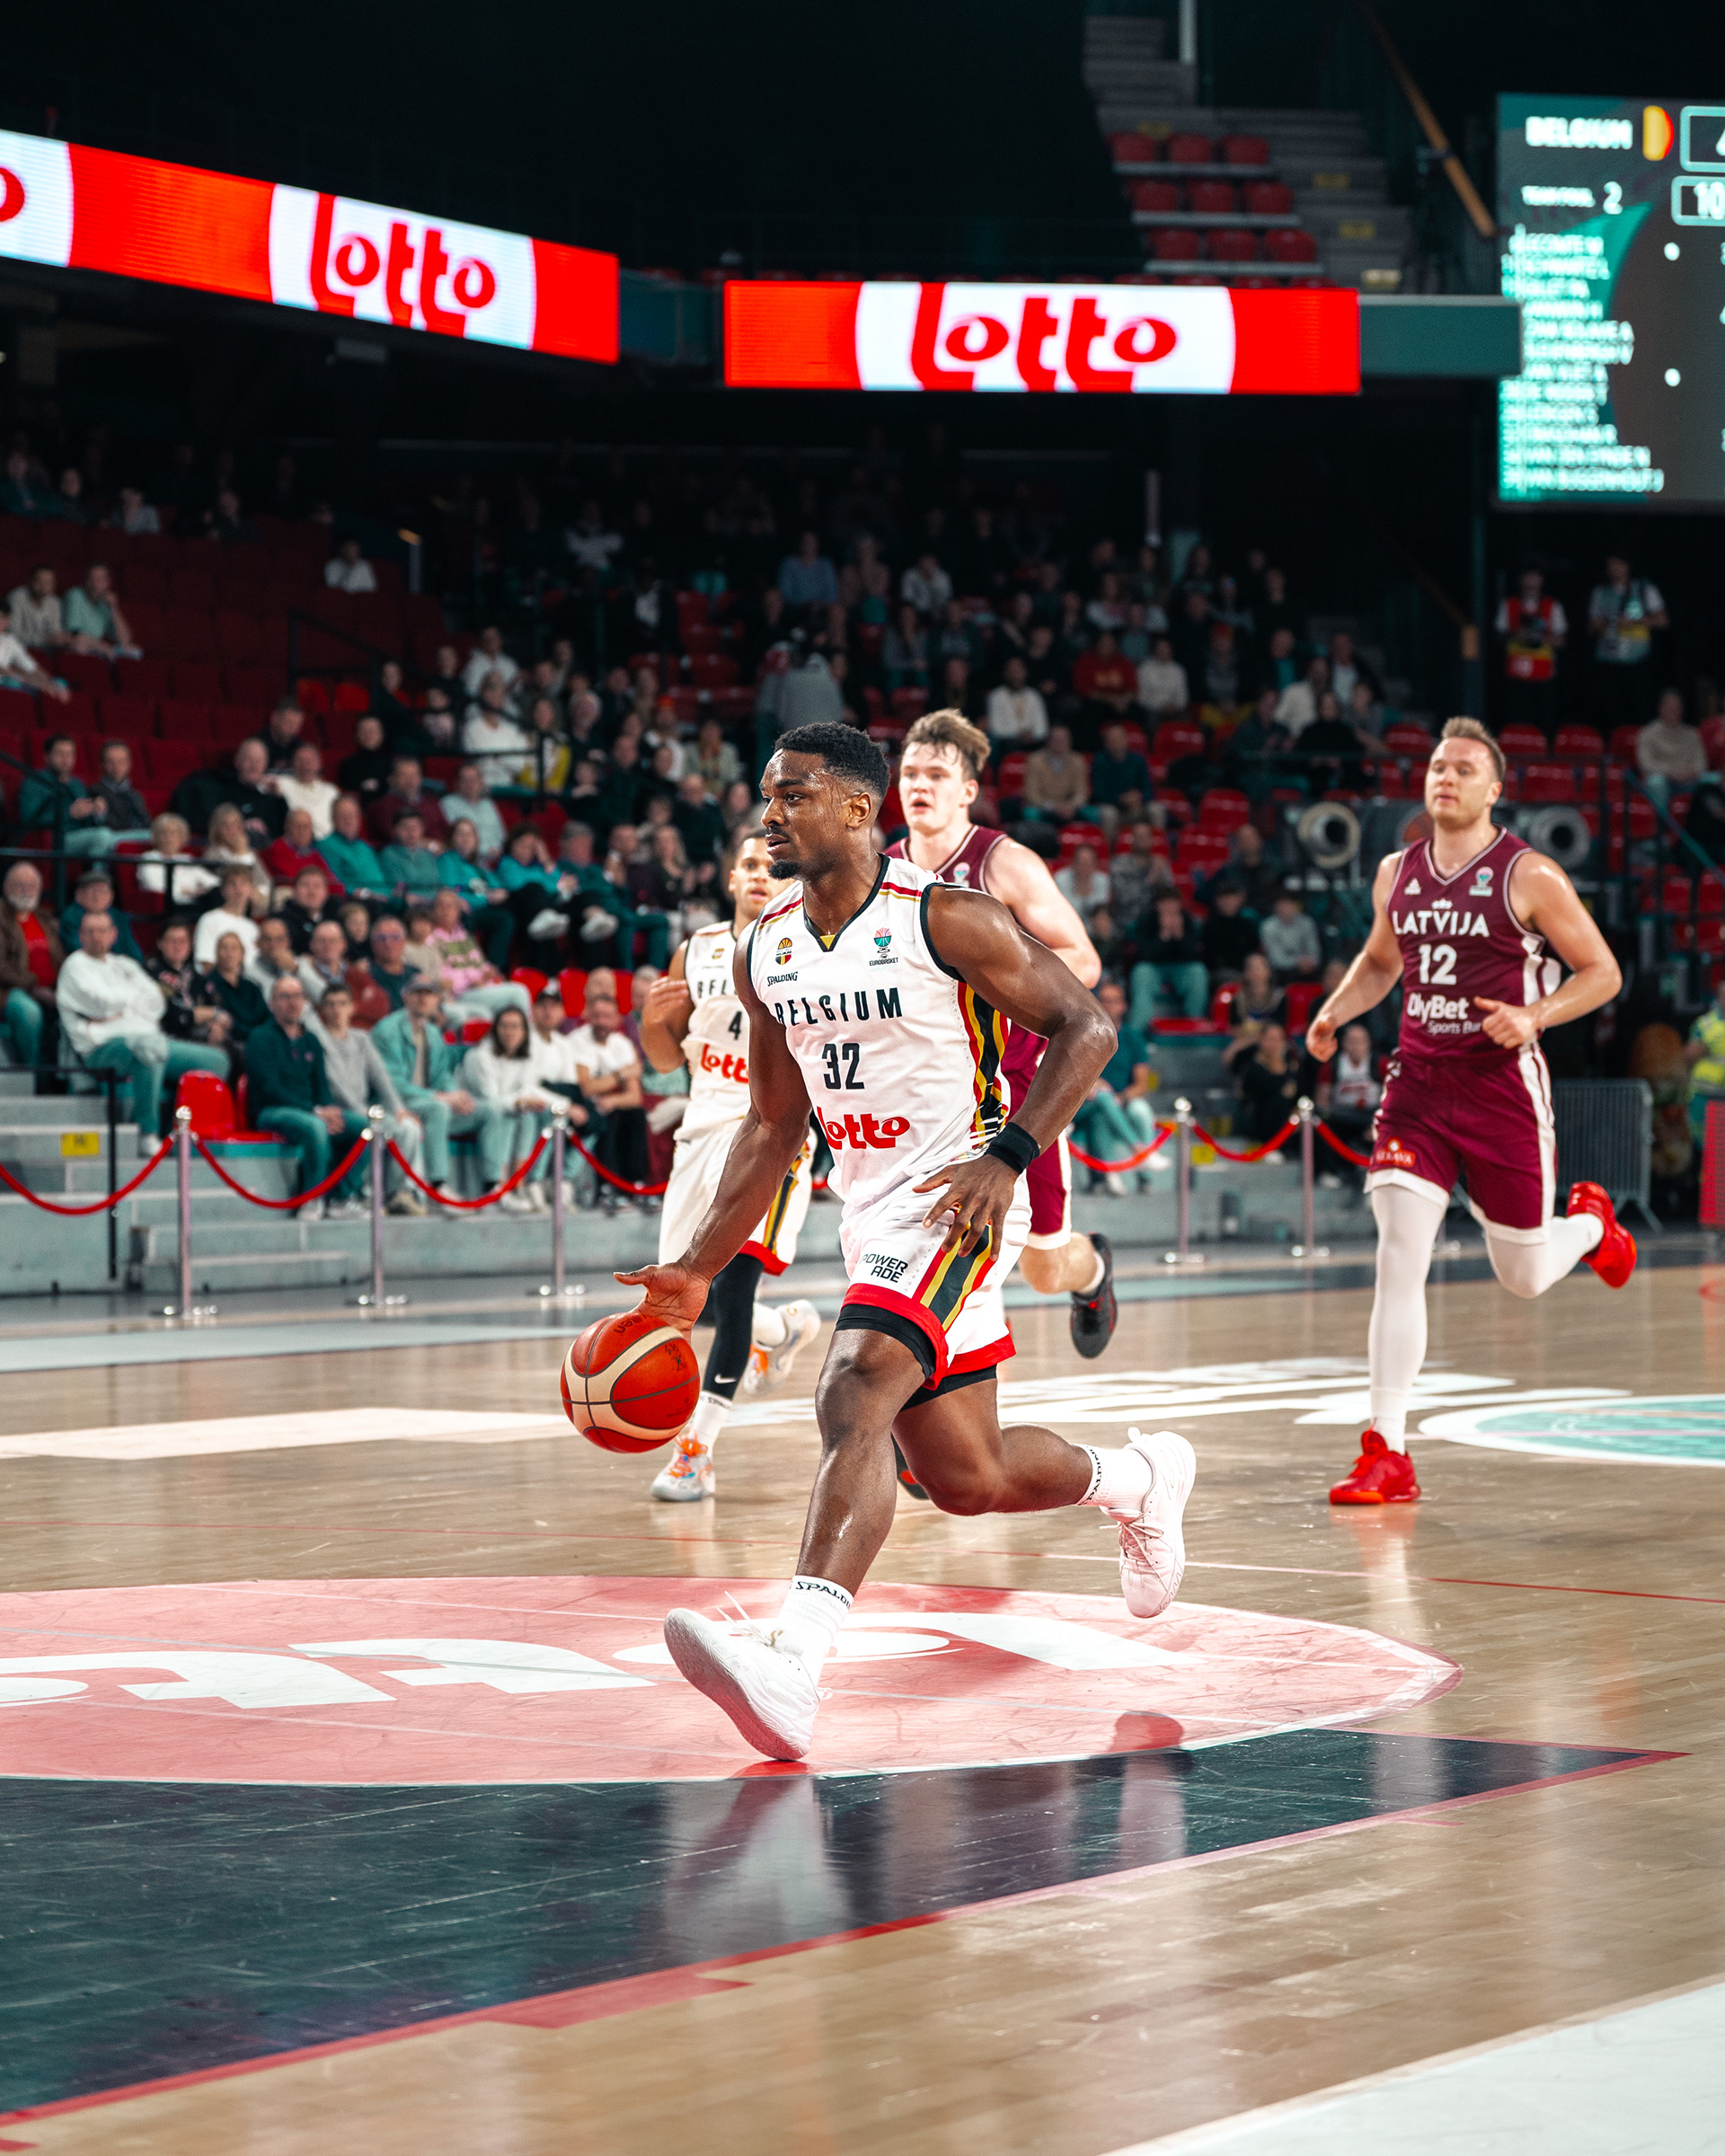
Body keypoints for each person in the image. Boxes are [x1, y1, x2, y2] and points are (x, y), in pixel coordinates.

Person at [617, 721, 1190, 1764]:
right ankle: (1140, 1479)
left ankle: (793, 1662)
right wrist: (696, 1269)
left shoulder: (947, 918)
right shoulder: (764, 950)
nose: (770, 815)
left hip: (962, 1195)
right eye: (767, 795)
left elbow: (1088, 1028)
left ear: (855, 807)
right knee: (969, 1479)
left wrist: (1007, 1158)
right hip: (873, 1210)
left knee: (854, 1386)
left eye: (792, 795)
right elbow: (772, 1129)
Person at [1307, 717, 1634, 1506]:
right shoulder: (1396, 871)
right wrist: (1335, 1011)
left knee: (1524, 1275)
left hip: (1501, 1091)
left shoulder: (1531, 875)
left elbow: (1603, 972)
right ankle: (1387, 1450)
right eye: (1436, 767)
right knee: (1399, 1258)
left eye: (1462, 769)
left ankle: (1591, 1224)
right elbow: (1381, 960)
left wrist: (1535, 1015)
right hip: (1417, 1089)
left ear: (1494, 790)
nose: (1445, 778)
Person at [885, 710, 1119, 1363]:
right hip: (929, 1091)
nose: (920, 785)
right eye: (910, 773)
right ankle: (940, 1386)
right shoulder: (882, 871)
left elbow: (1083, 958)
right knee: (930, 1243)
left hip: (1017, 1086)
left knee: (1045, 1269)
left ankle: (1095, 1271)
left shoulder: (1002, 861)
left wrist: (995, 984)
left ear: (968, 790)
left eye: (937, 774)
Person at [635, 832, 821, 1502]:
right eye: (748, 865)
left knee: (734, 1290)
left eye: (772, 866)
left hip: (772, 1129)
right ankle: (783, 1329)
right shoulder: (697, 949)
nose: (760, 874)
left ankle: (696, 1452)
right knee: (690, 1295)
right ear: (731, 878)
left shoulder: (813, 946)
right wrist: (650, 1022)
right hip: (702, 1123)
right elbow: (664, 1060)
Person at [57, 911, 228, 1142]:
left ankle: (182, 1133)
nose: (97, 936)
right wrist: (133, 1003)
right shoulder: (74, 966)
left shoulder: (125, 964)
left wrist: (119, 1010)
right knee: (148, 1051)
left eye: (102, 931)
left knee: (216, 1061)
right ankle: (146, 1132)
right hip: (102, 1048)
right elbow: (100, 1005)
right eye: (90, 931)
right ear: (80, 935)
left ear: (113, 934)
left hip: (151, 1038)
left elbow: (156, 1002)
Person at [370, 975, 514, 1208]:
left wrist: (456, 1096)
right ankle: (438, 1185)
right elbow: (391, 1084)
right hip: (395, 1105)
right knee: (438, 1108)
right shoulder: (387, 1031)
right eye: (417, 993)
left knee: (491, 1111)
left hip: (427, 1104)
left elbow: (443, 1076)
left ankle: (493, 1186)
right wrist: (441, 1097)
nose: (423, 999)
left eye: (429, 994)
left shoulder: (432, 1032)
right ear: (405, 997)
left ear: (437, 1000)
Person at [244, 975, 370, 1217]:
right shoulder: (260, 1038)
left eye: (297, 996)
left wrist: (329, 1110)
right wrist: (316, 1112)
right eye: (285, 997)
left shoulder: (311, 1040)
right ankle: (311, 1198)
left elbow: (321, 1085)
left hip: (312, 1110)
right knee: (315, 1126)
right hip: (272, 1110)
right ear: (272, 1003)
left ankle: (340, 1198)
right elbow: (270, 1089)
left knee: (366, 1128)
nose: (293, 1002)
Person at [306, 983, 428, 1215]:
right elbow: (333, 1083)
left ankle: (399, 1193)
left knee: (408, 1128)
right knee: (371, 1130)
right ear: (323, 1009)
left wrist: (398, 1108)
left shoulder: (361, 1038)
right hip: (337, 1111)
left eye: (342, 1004)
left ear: (352, 1008)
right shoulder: (317, 1039)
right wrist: (361, 1111)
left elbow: (380, 1076)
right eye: (330, 1004)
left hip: (363, 1109)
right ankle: (366, 1193)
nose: (336, 1010)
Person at [459, 1004, 554, 1214]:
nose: (509, 1032)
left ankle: (519, 1184)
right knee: (509, 1114)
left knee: (531, 1116)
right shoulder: (479, 1056)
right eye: (504, 1026)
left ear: (524, 1032)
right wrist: (519, 1103)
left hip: (504, 1109)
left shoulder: (527, 1057)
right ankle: (498, 1186)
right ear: (495, 1030)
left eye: (515, 1027)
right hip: (472, 1111)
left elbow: (528, 1089)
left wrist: (563, 1105)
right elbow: (491, 1099)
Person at [1073, 980, 1160, 1194]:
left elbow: (1142, 1084)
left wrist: (1120, 1098)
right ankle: (1139, 1152)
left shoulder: (1133, 1038)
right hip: (1082, 1102)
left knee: (1140, 1110)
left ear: (1124, 1005)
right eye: (1104, 1000)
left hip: (1118, 1101)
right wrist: (1092, 1084)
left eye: (1114, 1001)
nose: (1109, 1006)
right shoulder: (1084, 1034)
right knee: (1102, 1099)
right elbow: (1072, 1073)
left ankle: (1140, 1178)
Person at [571, 989, 649, 1209]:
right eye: (596, 1016)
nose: (601, 1022)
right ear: (587, 1015)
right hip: (582, 1105)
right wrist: (620, 1075)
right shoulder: (578, 1040)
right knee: (606, 1116)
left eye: (607, 1016)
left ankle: (635, 1184)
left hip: (609, 1104)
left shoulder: (622, 1044)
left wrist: (611, 1099)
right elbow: (586, 1088)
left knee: (636, 1115)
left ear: (617, 1020)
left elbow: (635, 1097)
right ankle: (607, 1188)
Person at [423, 885, 532, 1025]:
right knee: (519, 992)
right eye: (440, 906)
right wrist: (471, 984)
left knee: (498, 1010)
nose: (446, 911)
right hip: (459, 995)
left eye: (450, 907)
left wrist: (488, 973)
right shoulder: (430, 939)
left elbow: (480, 965)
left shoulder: (464, 935)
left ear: (458, 911)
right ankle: (528, 1034)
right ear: (432, 912)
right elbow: (438, 977)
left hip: (479, 990)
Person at [1587, 554, 1667, 732]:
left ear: (1628, 566)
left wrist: (1635, 622)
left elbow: (1663, 620)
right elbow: (1591, 627)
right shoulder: (1601, 592)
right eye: (1611, 564)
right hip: (1609, 661)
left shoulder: (1644, 589)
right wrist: (1600, 624)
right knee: (1612, 712)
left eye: (1619, 564)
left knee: (1639, 710)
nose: (1615, 568)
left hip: (1638, 661)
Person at [0, 862, 63, 1077]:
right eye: (19, 885)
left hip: (50, 988)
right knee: (29, 1012)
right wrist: (34, 987)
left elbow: (59, 958)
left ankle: (69, 1077)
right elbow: (2, 967)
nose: (26, 890)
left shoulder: (44, 917)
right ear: (6, 887)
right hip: (9, 989)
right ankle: (32, 1073)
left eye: (32, 885)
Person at [1495, 570, 1566, 740]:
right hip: (1516, 674)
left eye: (1535, 577)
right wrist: (1516, 635)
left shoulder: (1552, 605)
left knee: (1544, 723)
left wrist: (1542, 638)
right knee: (1517, 721)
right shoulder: (1509, 604)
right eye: (1527, 576)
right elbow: (1499, 637)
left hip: (1543, 674)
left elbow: (1562, 640)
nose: (1531, 581)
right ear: (1520, 579)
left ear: (1541, 579)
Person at [19, 737, 117, 858]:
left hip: (81, 836)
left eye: (70, 755)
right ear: (46, 756)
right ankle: (96, 871)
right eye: (60, 754)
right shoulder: (35, 782)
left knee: (131, 837)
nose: (65, 760)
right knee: (103, 836)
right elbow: (29, 819)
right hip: (54, 838)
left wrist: (96, 812)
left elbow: (87, 823)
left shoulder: (77, 784)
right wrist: (69, 813)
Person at [1130, 895, 1208, 1024]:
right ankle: (1139, 1027)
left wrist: (1179, 935)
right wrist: (1164, 935)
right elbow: (1143, 955)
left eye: (1173, 904)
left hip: (1182, 969)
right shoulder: (1146, 920)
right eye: (1165, 904)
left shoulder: (1186, 919)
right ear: (1157, 905)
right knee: (1141, 971)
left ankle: (1195, 1023)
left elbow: (1195, 956)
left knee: (1198, 971)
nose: (1169, 908)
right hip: (1153, 969)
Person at [1234, 1021, 1302, 1158]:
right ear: (1261, 1040)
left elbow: (1300, 1092)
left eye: (1279, 1039)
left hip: (1290, 1123)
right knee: (1276, 1102)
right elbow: (1262, 1093)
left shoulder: (1292, 1064)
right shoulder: (1251, 1066)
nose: (1275, 1044)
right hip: (1259, 1119)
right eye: (1271, 1039)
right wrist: (1277, 1067)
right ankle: (1273, 1148)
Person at [201, 931, 270, 1059]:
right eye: (224, 948)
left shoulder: (252, 987)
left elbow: (267, 1018)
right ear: (217, 953)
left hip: (258, 1042)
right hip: (230, 1046)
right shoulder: (207, 985)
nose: (229, 953)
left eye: (234, 948)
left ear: (242, 954)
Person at [1637, 688, 1706, 807]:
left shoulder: (1692, 734)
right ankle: (1661, 818)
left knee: (1716, 779)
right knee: (1656, 782)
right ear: (1661, 708)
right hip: (1663, 778)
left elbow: (1701, 762)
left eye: (1676, 707)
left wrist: (1691, 772)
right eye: (1669, 707)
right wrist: (1670, 772)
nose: (1673, 710)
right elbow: (1646, 763)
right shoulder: (1647, 733)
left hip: (1690, 778)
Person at [0, 598, 72, 700]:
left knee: (59, 683)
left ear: (8, 621)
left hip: (13, 680)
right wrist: (35, 683)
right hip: (6, 684)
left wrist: (50, 683)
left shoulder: (10, 641)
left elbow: (31, 667)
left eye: (2, 617)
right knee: (14, 682)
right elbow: (3, 670)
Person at [64, 564, 140, 657]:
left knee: (135, 651)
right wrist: (103, 646)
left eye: (104, 579)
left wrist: (114, 608)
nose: (102, 583)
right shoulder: (75, 594)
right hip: (77, 645)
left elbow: (125, 640)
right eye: (97, 579)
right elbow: (75, 634)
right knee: (80, 646)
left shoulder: (105, 606)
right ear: (88, 582)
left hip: (98, 649)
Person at [192, 868, 263, 967]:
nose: (238, 889)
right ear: (223, 890)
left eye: (243, 883)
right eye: (232, 884)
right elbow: (205, 962)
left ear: (251, 889)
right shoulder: (209, 919)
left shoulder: (253, 927)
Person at [1685, 974, 1725, 1148]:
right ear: (1718, 997)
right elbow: (1689, 1057)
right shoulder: (1706, 1024)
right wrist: (1705, 1048)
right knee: (1703, 1145)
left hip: (1721, 1096)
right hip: (1704, 1096)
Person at [1021, 724, 1089, 825]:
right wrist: (1053, 807)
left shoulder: (1077, 760)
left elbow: (1081, 792)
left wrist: (1071, 806)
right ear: (1048, 741)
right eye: (1056, 739)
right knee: (1030, 813)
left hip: (1070, 807)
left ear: (1070, 741)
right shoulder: (1035, 760)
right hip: (1044, 807)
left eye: (1063, 739)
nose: (1060, 743)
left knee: (1093, 813)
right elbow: (1032, 794)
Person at [271, 743, 340, 839]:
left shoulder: (331, 791)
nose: (305, 765)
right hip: (297, 841)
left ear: (319, 764)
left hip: (329, 842)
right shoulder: (282, 783)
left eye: (309, 760)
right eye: (300, 760)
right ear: (292, 764)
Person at [90, 740, 153, 840]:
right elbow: (112, 826)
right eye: (110, 762)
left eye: (121, 762)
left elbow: (147, 823)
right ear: (101, 765)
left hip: (140, 836)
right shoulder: (95, 791)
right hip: (111, 839)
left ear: (129, 764)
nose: (116, 767)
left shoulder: (135, 794)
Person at [986, 655, 1049, 747]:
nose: (1015, 674)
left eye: (1019, 670)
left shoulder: (1034, 695)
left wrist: (1031, 734)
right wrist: (1018, 734)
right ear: (1005, 673)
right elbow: (995, 729)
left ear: (1025, 672)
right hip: (1007, 744)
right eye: (1012, 670)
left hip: (1034, 743)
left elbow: (1042, 728)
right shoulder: (996, 696)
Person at [1260, 887, 1322, 979]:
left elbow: (1315, 952)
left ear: (1296, 905)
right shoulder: (1268, 927)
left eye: (1288, 904)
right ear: (1275, 907)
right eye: (1281, 905)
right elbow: (1275, 959)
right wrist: (1298, 962)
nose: (1285, 908)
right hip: (1280, 972)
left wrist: (1310, 962)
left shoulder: (1307, 923)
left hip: (1308, 968)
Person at [1137, 634, 1188, 717]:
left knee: (1186, 718)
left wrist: (1175, 706)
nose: (1164, 651)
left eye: (1166, 647)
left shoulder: (1178, 670)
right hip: (1152, 710)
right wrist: (1160, 707)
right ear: (1155, 649)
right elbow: (1142, 697)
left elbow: (1183, 696)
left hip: (1174, 709)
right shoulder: (1145, 668)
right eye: (1161, 648)